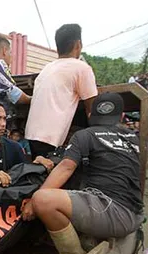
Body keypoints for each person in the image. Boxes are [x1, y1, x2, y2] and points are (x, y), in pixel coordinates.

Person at [21, 93, 144, 254]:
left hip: (114, 213)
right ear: (121, 117)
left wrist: (32, 202)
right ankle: (88, 237)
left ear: (90, 115)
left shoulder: (85, 135)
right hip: (134, 214)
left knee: (43, 200)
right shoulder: (132, 138)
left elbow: (66, 167)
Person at [25, 24, 97, 159]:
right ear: (78, 44)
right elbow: (92, 110)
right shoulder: (82, 68)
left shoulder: (47, 68)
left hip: (31, 134)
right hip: (50, 139)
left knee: (39, 174)